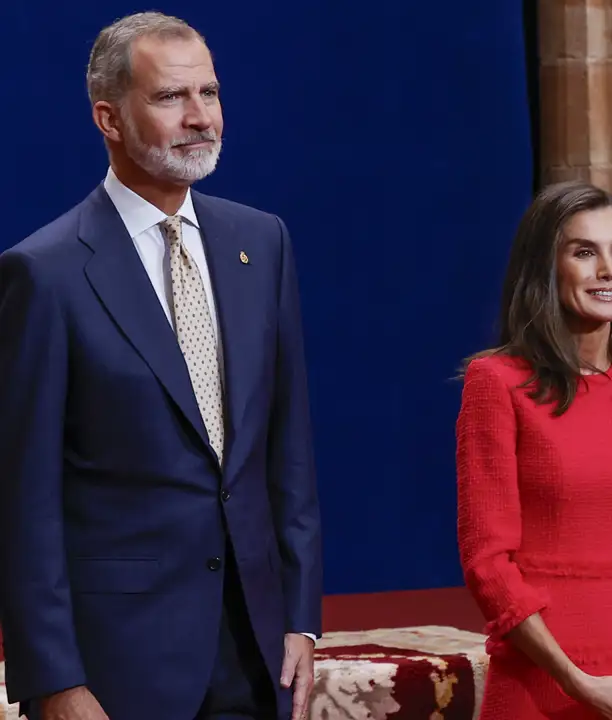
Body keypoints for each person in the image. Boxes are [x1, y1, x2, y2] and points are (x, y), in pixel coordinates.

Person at [0, 12, 321, 720]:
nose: (201, 116)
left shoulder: (261, 242)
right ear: (109, 118)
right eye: (172, 97)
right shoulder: (43, 274)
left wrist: (300, 617)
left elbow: (285, 450)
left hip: (256, 651)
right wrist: (53, 679)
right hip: (119, 668)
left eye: (209, 93)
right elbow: (23, 499)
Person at [454, 180, 612, 720]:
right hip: (544, 686)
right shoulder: (497, 382)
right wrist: (578, 682)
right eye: (584, 252)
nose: (609, 271)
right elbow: (488, 563)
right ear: (544, 268)